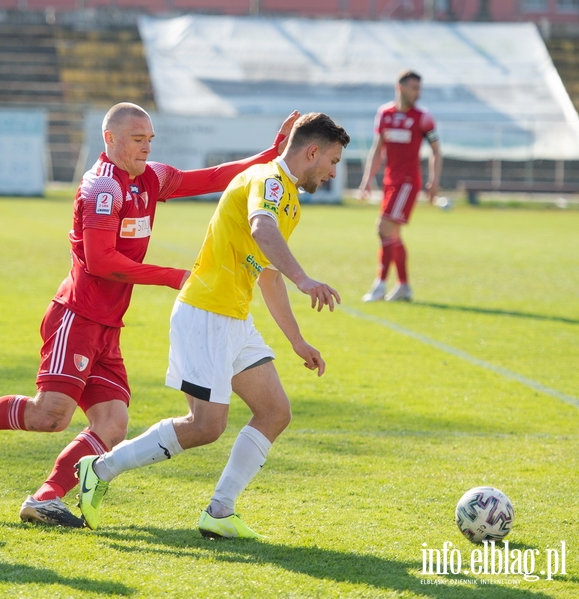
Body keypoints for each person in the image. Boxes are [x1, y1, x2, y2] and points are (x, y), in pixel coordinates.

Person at [0, 102, 301, 528]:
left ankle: (45, 498)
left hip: (108, 326)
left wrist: (274, 153)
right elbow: (101, 261)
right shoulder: (102, 189)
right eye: (137, 140)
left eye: (149, 139)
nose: (146, 147)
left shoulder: (151, 177)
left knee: (113, 423)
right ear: (111, 139)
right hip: (77, 318)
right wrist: (175, 276)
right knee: (50, 416)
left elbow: (213, 177)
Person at [76, 112, 349, 539]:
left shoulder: (289, 199)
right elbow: (261, 228)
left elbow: (267, 273)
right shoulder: (269, 181)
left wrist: (296, 340)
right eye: (332, 161)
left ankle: (220, 511)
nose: (333, 172)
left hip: (234, 317)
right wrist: (305, 278)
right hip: (205, 312)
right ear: (311, 152)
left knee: (275, 412)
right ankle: (100, 468)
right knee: (206, 426)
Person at [359, 70, 443, 302]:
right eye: (413, 88)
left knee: (382, 229)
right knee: (392, 234)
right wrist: (368, 179)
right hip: (389, 181)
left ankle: (380, 285)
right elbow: (377, 149)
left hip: (407, 183)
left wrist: (434, 180)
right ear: (400, 88)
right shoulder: (384, 114)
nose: (417, 93)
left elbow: (436, 150)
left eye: (419, 88)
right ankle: (404, 286)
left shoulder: (423, 117)